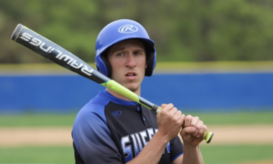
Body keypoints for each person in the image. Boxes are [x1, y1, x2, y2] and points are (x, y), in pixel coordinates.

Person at [72, 19, 207, 164]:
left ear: (148, 61)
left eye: (137, 53)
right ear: (105, 64)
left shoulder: (158, 116)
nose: (131, 62)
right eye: (120, 54)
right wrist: (162, 136)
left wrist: (191, 146)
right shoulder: (92, 119)